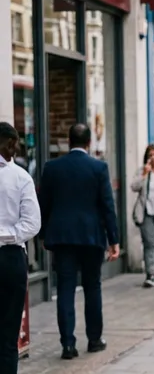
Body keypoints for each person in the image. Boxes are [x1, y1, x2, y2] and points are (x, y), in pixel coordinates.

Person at [39, 123, 120, 360]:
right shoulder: (98, 167)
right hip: (91, 236)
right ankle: (94, 339)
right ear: (89, 142)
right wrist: (113, 239)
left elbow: (43, 204)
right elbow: (107, 206)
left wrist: (43, 234)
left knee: (65, 288)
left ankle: (67, 344)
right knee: (92, 287)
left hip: (62, 237)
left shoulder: (52, 168)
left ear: (68, 141)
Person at [0, 123, 41, 374]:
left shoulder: (21, 176)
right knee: (7, 337)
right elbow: (31, 225)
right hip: (10, 259)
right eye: (13, 143)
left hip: (11, 256)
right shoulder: (20, 177)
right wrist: (8, 235)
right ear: (10, 143)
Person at [131, 144, 154, 287]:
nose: (153, 158)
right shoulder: (143, 171)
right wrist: (144, 175)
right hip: (146, 212)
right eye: (150, 155)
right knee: (149, 244)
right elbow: (134, 187)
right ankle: (150, 275)